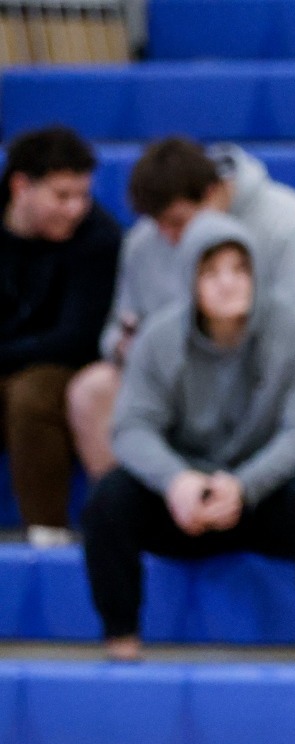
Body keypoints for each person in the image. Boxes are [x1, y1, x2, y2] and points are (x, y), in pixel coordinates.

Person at [83, 214, 295, 662]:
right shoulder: (160, 336)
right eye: (211, 272)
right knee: (109, 499)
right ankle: (122, 646)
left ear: (258, 274)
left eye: (239, 269)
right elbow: (132, 427)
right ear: (189, 279)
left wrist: (245, 486)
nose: (227, 283)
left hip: (265, 494)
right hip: (184, 500)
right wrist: (177, 481)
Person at [70, 137, 295, 482]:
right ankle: (144, 507)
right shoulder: (144, 241)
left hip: (276, 382)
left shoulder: (293, 224)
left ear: (213, 194)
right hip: (190, 388)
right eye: (158, 224)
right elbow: (115, 329)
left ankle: (241, 494)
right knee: (94, 389)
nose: (168, 236)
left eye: (178, 222)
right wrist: (125, 345)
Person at [0, 126, 122, 548]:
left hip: (65, 367)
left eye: (83, 196)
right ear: (21, 187)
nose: (75, 209)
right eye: (62, 196)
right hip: (13, 358)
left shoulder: (99, 239)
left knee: (31, 393)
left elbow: (76, 338)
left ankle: (47, 536)